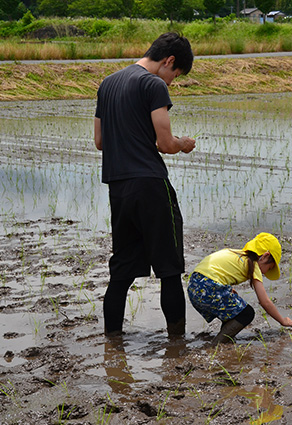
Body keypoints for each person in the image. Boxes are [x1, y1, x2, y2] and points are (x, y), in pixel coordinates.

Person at [94, 32, 196, 337]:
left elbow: (100, 141)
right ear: (170, 61)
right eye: (174, 76)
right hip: (151, 185)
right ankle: (177, 344)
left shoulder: (108, 83)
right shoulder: (152, 84)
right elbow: (165, 143)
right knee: (169, 270)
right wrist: (184, 144)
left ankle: (112, 342)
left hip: (118, 188)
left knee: (121, 272)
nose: (171, 83)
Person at [187, 233, 292, 344]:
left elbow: (219, 270)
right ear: (265, 256)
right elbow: (265, 302)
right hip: (210, 287)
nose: (265, 272)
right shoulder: (254, 266)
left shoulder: (235, 253)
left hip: (194, 286)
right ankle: (217, 343)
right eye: (269, 267)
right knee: (247, 313)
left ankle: (227, 339)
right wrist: (282, 321)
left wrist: (228, 289)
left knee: (234, 311)